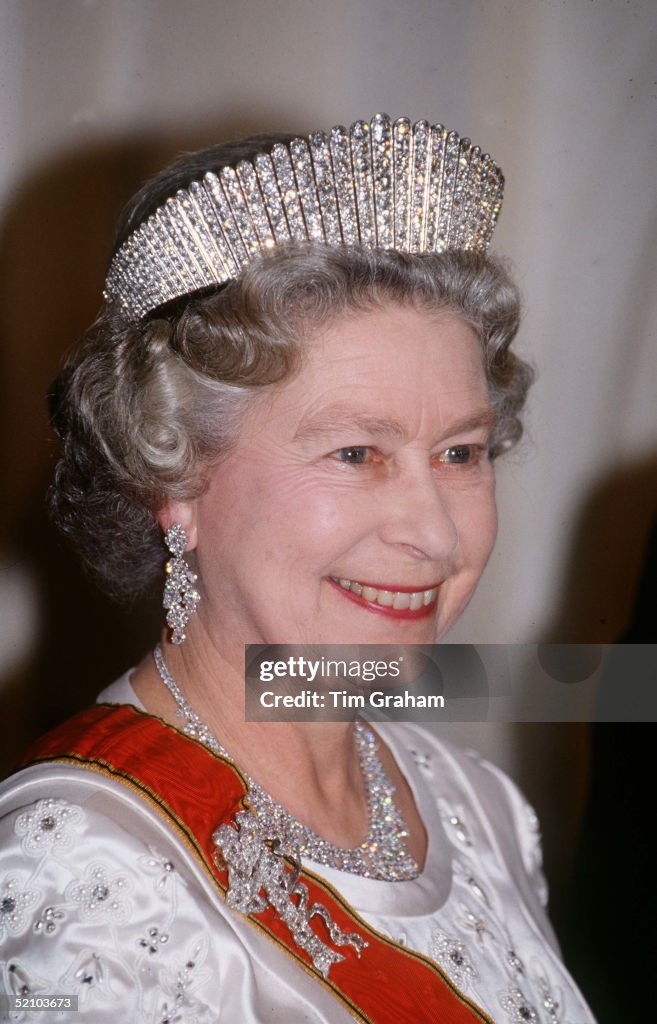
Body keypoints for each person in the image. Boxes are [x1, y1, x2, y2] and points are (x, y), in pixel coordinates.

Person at [0, 115, 596, 1022]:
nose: (435, 535)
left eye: (462, 453)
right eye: (357, 454)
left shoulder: (472, 803)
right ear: (174, 477)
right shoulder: (86, 876)